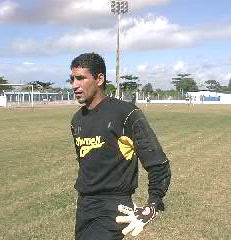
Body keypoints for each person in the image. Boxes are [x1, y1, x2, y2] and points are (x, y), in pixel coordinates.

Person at [69, 53, 171, 240]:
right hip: (84, 206)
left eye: (81, 78)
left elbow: (158, 163)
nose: (74, 85)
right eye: (72, 79)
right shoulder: (77, 120)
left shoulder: (126, 114)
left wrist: (153, 203)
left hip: (113, 207)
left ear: (100, 79)